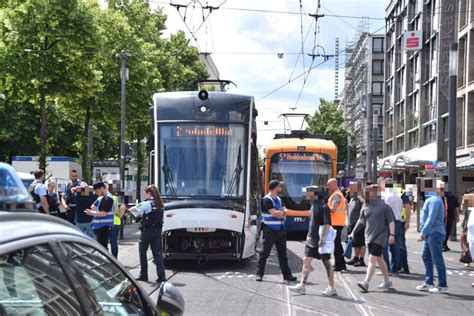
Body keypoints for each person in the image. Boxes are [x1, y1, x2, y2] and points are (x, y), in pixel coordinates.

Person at [289, 186, 337, 296]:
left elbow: (327, 224)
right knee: (306, 260)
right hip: (311, 240)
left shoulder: (323, 206)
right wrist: (308, 235)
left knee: (326, 263)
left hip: (320, 241)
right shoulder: (313, 205)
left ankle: (331, 287)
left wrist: (323, 239)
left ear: (313, 193)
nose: (305, 194)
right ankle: (302, 285)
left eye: (307, 192)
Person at [350, 184, 395, 293]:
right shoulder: (365, 206)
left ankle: (366, 282)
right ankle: (387, 281)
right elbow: (361, 221)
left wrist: (392, 235)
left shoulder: (385, 206)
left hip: (380, 236)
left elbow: (391, 221)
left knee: (372, 259)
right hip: (369, 236)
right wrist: (353, 232)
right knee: (379, 259)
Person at [120, 185, 166, 283]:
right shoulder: (160, 204)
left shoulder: (147, 203)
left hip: (147, 231)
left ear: (149, 193)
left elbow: (133, 210)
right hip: (157, 231)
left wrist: (127, 208)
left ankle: (143, 275)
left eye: (145, 193)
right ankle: (162, 277)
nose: (144, 195)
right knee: (157, 254)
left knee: (142, 253)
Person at [256, 179, 297, 283]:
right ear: (275, 188)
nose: (281, 188)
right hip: (269, 230)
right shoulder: (267, 200)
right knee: (264, 253)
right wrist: (283, 213)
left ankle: (287, 276)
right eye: (279, 186)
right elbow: (274, 213)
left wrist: (283, 212)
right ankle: (259, 274)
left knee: (283, 254)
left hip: (280, 230)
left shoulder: (278, 199)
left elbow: (285, 210)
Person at [416, 180, 448, 294]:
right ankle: (429, 282)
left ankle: (442, 285)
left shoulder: (434, 200)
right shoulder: (432, 199)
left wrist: (423, 233)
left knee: (437, 259)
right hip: (431, 233)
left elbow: (431, 218)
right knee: (426, 256)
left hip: (434, 233)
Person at [84, 182, 114, 249]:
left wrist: (92, 213)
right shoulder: (101, 198)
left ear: (102, 188)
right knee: (101, 247)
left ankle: (105, 259)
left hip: (104, 226)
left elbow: (103, 213)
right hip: (100, 226)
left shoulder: (107, 199)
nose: (97, 193)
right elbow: (93, 207)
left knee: (103, 248)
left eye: (97, 191)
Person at [382, 178, 403, 275]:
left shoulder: (386, 197)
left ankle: (387, 269)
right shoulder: (398, 197)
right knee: (396, 246)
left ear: (385, 185)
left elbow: (385, 212)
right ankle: (395, 268)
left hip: (388, 222)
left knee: (384, 246)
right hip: (398, 222)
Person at [327, 178, 347, 272]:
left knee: (336, 245)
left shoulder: (336, 196)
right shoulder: (337, 194)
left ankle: (339, 265)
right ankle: (341, 263)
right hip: (337, 222)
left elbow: (333, 209)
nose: (328, 187)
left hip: (336, 223)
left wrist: (324, 209)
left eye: (329, 185)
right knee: (337, 244)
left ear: (334, 184)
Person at [346, 182, 366, 267]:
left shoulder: (360, 200)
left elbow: (364, 213)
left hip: (359, 224)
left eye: (351, 188)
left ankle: (361, 260)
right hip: (352, 224)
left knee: (361, 243)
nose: (349, 189)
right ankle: (356, 258)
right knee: (355, 243)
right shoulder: (352, 198)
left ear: (356, 189)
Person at [399, 186, 413, 274]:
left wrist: (407, 221)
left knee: (401, 244)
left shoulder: (402, 192)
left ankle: (404, 266)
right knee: (395, 245)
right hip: (393, 222)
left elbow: (408, 207)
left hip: (401, 222)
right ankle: (398, 265)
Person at [110, 194, 126, 258]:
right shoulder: (117, 198)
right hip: (116, 222)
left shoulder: (104, 197)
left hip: (105, 222)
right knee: (114, 241)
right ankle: (114, 259)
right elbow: (123, 208)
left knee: (104, 242)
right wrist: (119, 216)